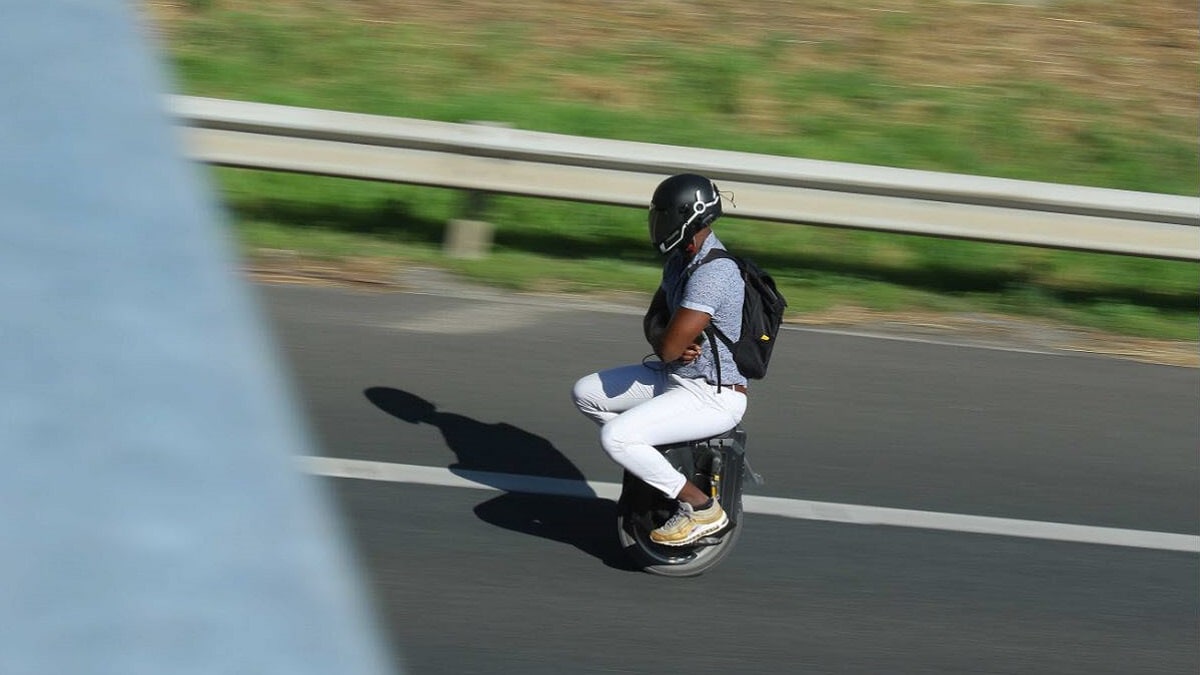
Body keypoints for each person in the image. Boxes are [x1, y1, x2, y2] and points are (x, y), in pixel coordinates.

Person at [571, 173, 748, 547]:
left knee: (616, 437)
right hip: (676, 377)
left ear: (688, 215)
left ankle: (701, 508)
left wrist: (667, 339)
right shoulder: (680, 260)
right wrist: (664, 336)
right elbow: (655, 325)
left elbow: (668, 346)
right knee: (586, 393)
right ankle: (656, 465)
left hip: (712, 395)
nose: (656, 223)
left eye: (662, 214)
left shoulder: (715, 272)